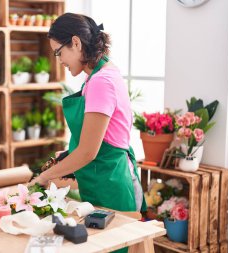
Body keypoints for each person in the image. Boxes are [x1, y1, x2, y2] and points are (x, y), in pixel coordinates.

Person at [29, 13, 146, 217]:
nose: (60, 61)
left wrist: (44, 177)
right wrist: (68, 155)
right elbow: (102, 137)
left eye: (59, 52)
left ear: (75, 43)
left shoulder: (101, 81)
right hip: (101, 180)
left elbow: (88, 152)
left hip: (112, 187)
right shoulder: (98, 76)